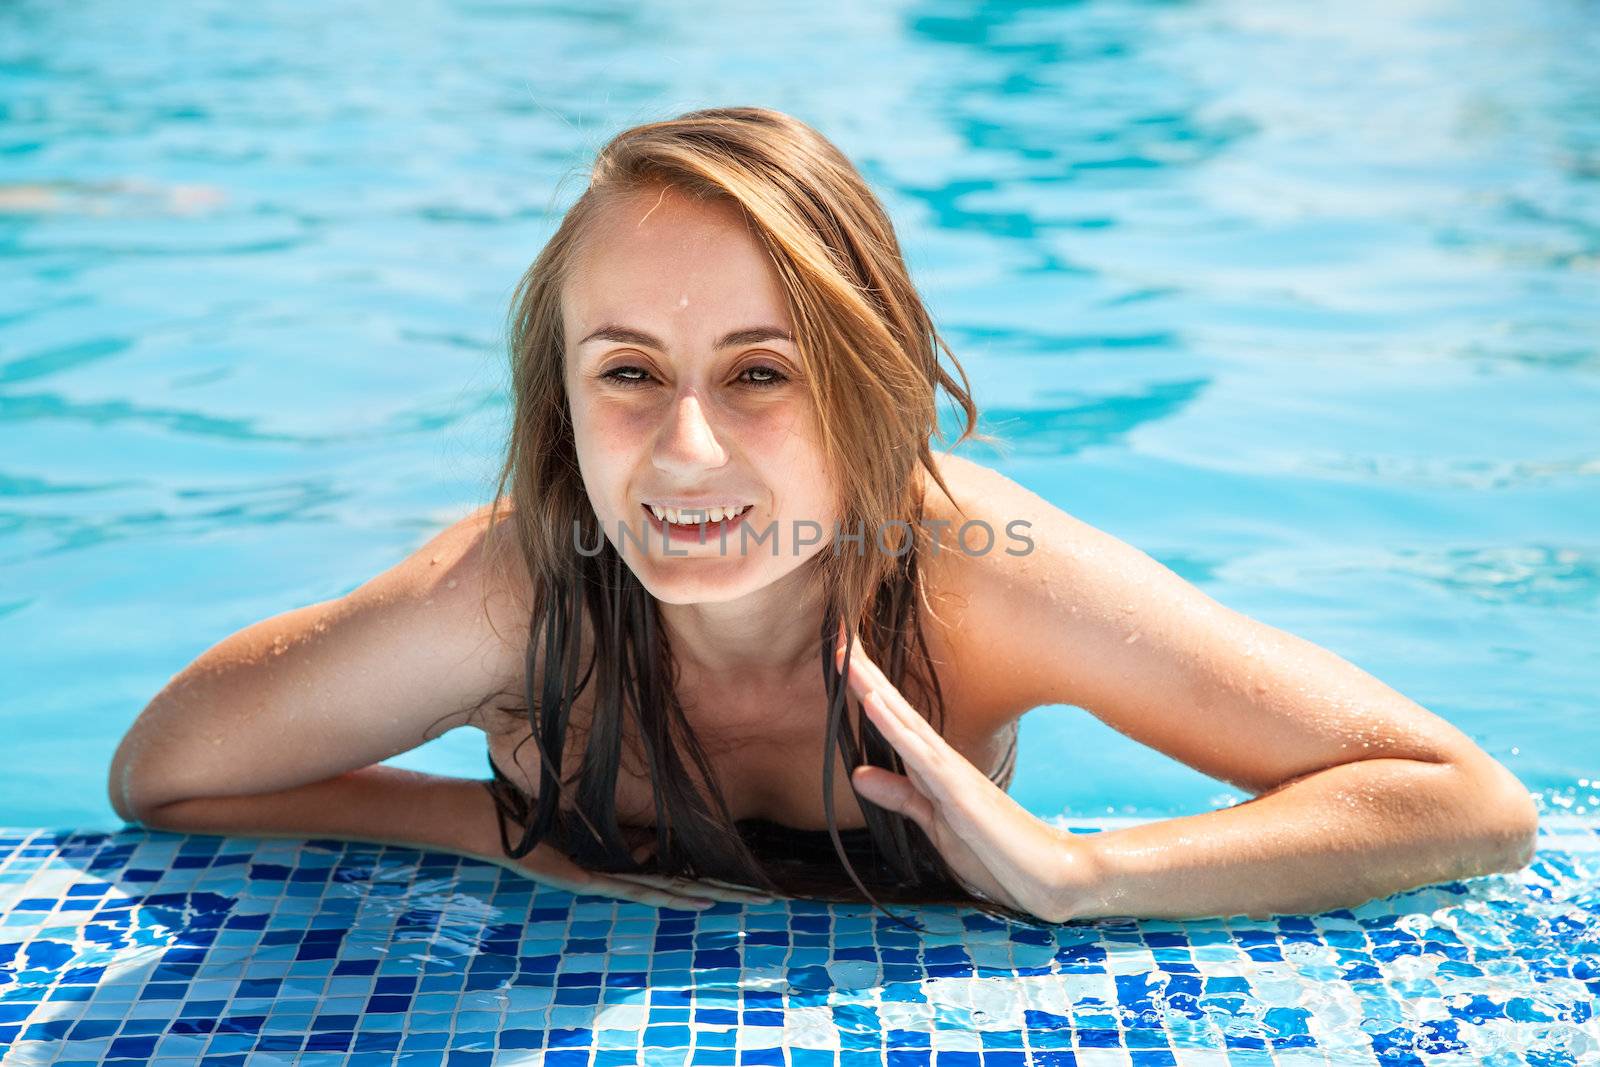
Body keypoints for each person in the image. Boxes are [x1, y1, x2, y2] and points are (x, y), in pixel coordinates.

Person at [108, 107, 1538, 929]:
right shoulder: (518, 597)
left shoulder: (979, 578)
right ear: (559, 404)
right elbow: (164, 780)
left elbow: (1464, 802)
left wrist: (1086, 873)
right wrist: (511, 832)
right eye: (627, 374)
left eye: (759, 374)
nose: (685, 450)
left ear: (867, 397)